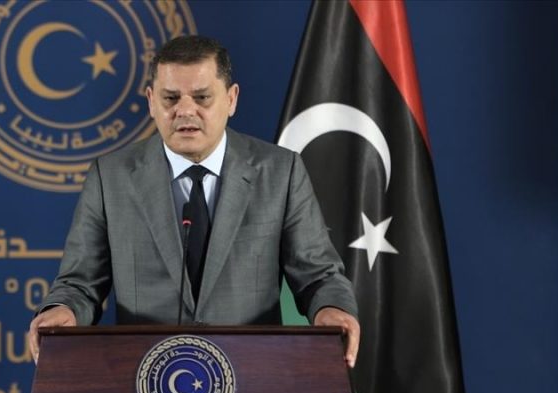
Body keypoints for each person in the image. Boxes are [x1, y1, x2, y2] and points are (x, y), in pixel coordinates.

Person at [28, 35, 360, 367]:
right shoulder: (110, 177)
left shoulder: (281, 172)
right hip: (145, 376)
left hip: (253, 375)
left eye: (202, 97)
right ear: (151, 101)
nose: (185, 111)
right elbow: (80, 283)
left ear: (231, 99)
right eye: (170, 98)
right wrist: (63, 309)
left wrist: (331, 308)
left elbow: (318, 275)